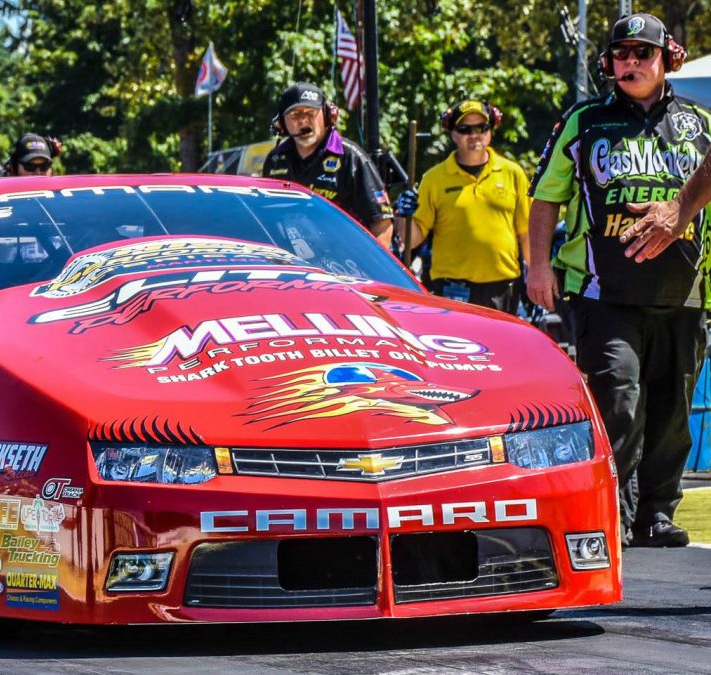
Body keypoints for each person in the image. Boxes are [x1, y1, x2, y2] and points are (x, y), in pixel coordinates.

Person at [526, 13, 708, 547]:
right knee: (617, 397)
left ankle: (656, 513)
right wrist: (539, 266)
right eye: (621, 54)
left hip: (686, 292)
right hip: (602, 291)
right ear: (608, 63)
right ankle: (614, 508)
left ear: (667, 59)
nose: (631, 63)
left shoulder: (702, 123)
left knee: (674, 407)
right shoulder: (583, 120)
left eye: (643, 53)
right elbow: (544, 198)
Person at [395, 99, 529, 314]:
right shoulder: (434, 178)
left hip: (502, 286)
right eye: (465, 129)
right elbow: (413, 239)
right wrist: (403, 214)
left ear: (491, 129)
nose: (474, 134)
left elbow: (527, 233)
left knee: (500, 346)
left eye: (481, 127)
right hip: (451, 287)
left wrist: (536, 277)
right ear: (453, 134)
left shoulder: (512, 173)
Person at [262, 82, 394, 247]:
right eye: (295, 115)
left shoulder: (351, 157)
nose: (303, 121)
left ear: (327, 115)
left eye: (310, 113)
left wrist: (370, 270)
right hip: (292, 263)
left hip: (344, 263)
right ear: (281, 123)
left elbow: (382, 225)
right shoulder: (275, 160)